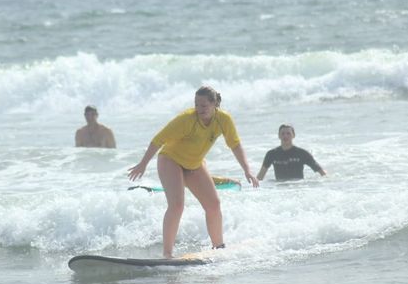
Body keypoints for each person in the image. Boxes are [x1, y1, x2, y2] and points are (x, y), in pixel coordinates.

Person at [128, 86, 259, 258]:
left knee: (213, 205)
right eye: (197, 105)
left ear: (214, 105)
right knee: (177, 206)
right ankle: (167, 254)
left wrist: (247, 170)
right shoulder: (186, 120)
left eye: (204, 106)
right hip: (170, 160)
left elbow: (234, 144)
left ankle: (218, 248)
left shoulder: (224, 120)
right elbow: (158, 140)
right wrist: (143, 164)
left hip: (194, 164)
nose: (199, 109)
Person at [256, 124, 326, 181]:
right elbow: (260, 176)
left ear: (293, 135)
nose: (285, 136)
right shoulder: (271, 154)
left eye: (288, 133)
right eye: (282, 134)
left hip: (298, 189)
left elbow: (322, 173)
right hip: (278, 190)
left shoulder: (302, 153)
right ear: (279, 136)